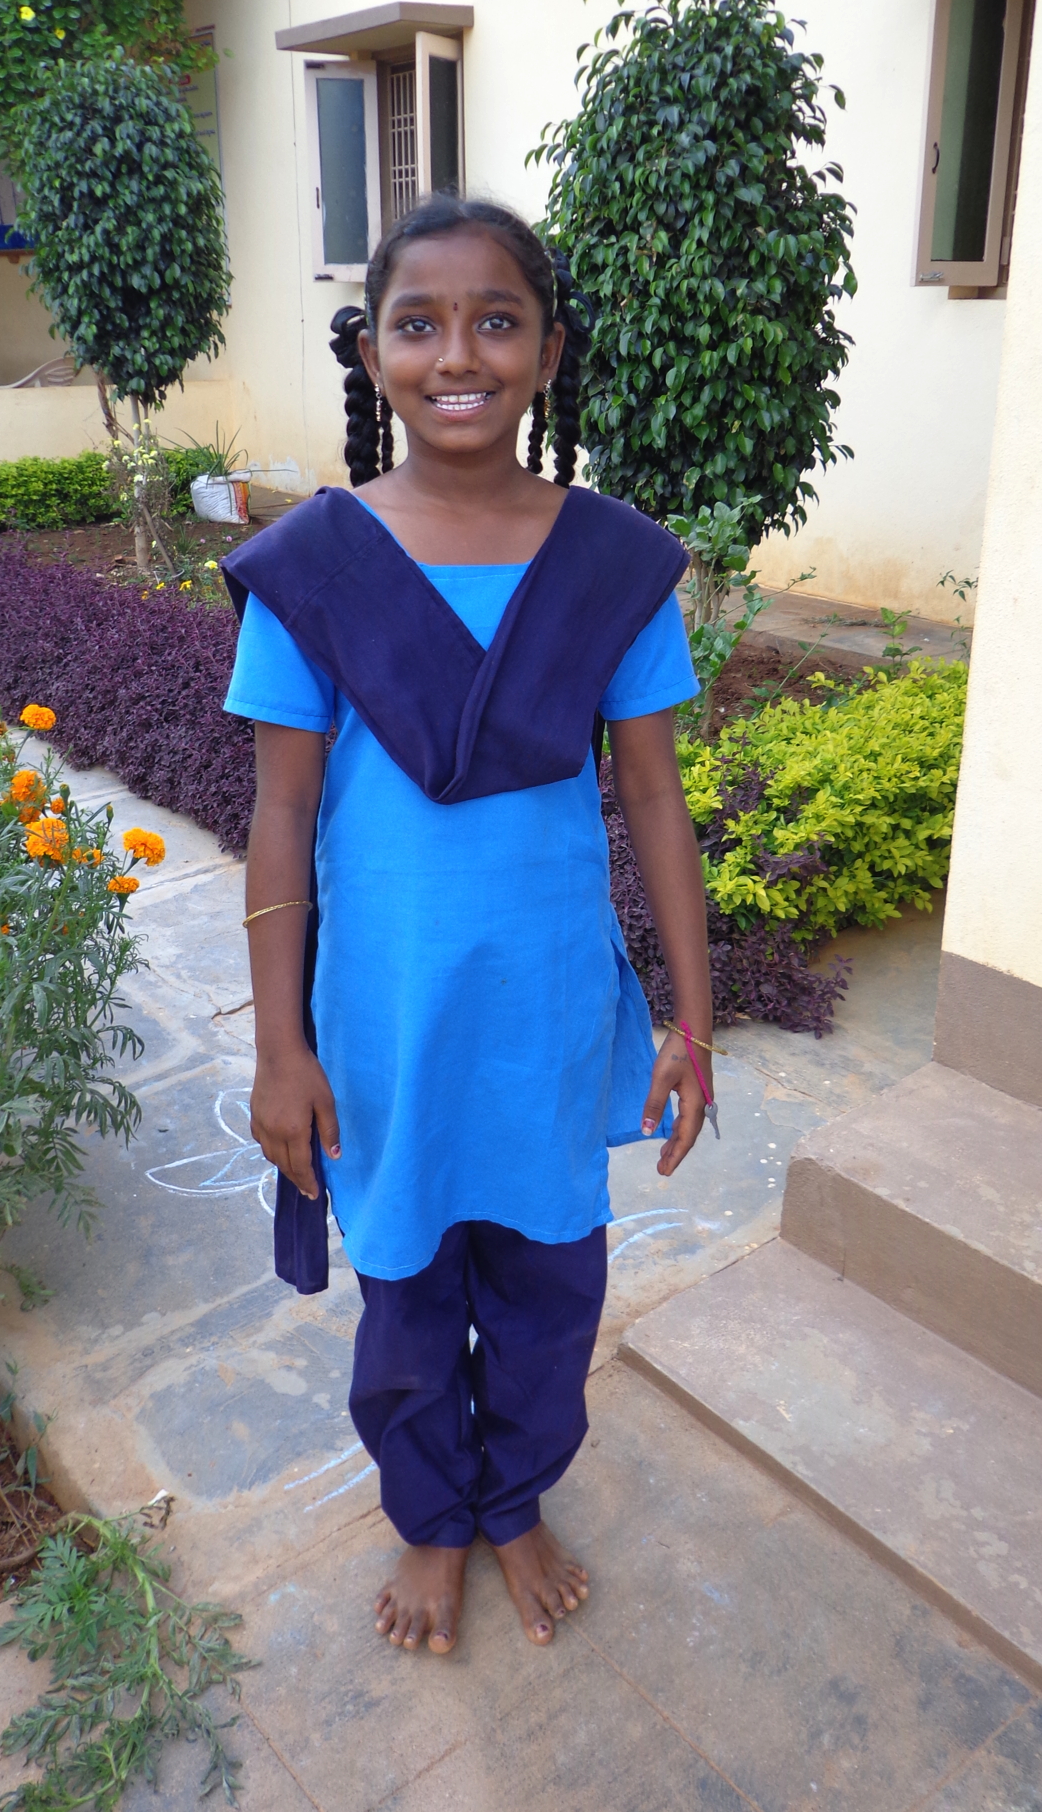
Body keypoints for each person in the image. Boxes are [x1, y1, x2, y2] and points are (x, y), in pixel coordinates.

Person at [222, 195, 715, 1656]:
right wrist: (279, 1049)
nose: (458, 356)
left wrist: (690, 1021)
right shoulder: (315, 571)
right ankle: (434, 1515)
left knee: (553, 1283)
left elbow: (654, 798)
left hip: (547, 1011)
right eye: (418, 324)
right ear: (369, 351)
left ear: (547, 353)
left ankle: (515, 1498)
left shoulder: (612, 568)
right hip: (386, 1019)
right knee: (410, 1289)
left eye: (497, 322)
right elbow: (282, 817)